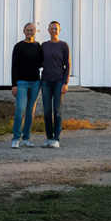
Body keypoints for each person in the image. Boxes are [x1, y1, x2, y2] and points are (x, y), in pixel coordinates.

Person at [10, 23, 43, 148]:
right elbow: (14, 66)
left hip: (35, 82)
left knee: (30, 111)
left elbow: (41, 63)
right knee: (20, 109)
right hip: (21, 82)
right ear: (24, 31)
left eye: (32, 30)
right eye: (28, 30)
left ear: (35, 31)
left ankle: (26, 138)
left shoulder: (37, 46)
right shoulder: (19, 46)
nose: (30, 32)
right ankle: (16, 138)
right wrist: (14, 85)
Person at [40, 20, 70, 148]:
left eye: (55, 29)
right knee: (47, 112)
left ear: (59, 30)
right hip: (46, 81)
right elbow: (39, 62)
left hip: (58, 81)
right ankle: (49, 137)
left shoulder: (63, 45)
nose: (53, 31)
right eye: (51, 28)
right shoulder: (44, 45)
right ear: (48, 30)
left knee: (57, 111)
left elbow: (67, 65)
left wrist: (65, 82)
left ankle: (56, 138)